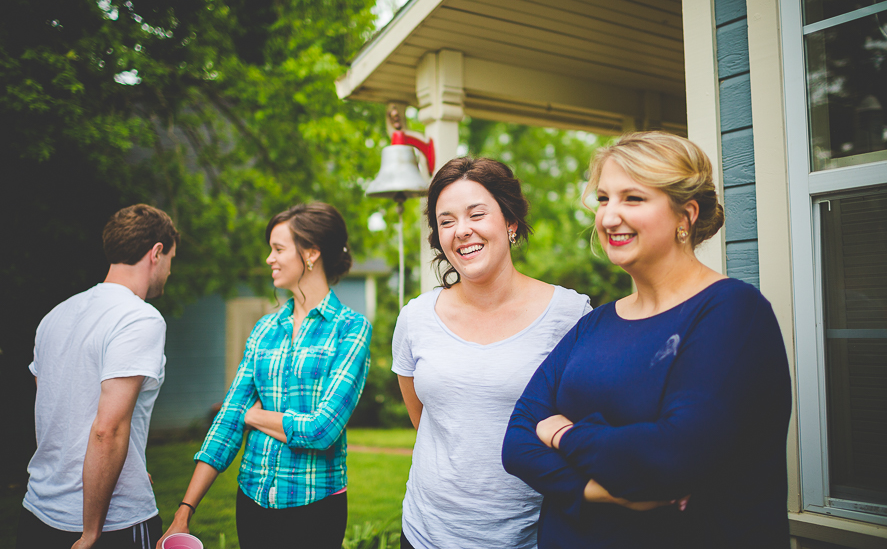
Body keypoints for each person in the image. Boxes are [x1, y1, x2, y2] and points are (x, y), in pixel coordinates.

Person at [502, 131, 792, 548]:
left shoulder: (732, 312)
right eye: (603, 199)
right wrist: (597, 490)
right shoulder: (594, 324)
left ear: (685, 215)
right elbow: (516, 441)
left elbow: (669, 457)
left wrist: (565, 435)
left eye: (632, 199)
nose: (608, 216)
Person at [392, 157, 592, 549]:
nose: (462, 231)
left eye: (476, 214)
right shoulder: (416, 317)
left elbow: (583, 424)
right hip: (424, 533)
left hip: (527, 536)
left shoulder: (569, 314)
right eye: (446, 221)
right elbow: (425, 418)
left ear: (510, 222)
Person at [157, 202, 371, 549]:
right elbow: (227, 422)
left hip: (314, 504)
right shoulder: (264, 329)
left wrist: (253, 415)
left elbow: (322, 430)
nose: (269, 258)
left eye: (278, 249)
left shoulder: (351, 329)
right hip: (252, 499)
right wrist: (184, 511)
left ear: (311, 253)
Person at [17, 204, 179, 549]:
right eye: (171, 260)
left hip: (37, 510)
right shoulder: (140, 319)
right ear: (157, 252)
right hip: (107, 523)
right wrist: (91, 531)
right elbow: (108, 430)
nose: (169, 271)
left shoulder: (55, 315)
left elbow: (55, 408)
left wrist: (130, 466)